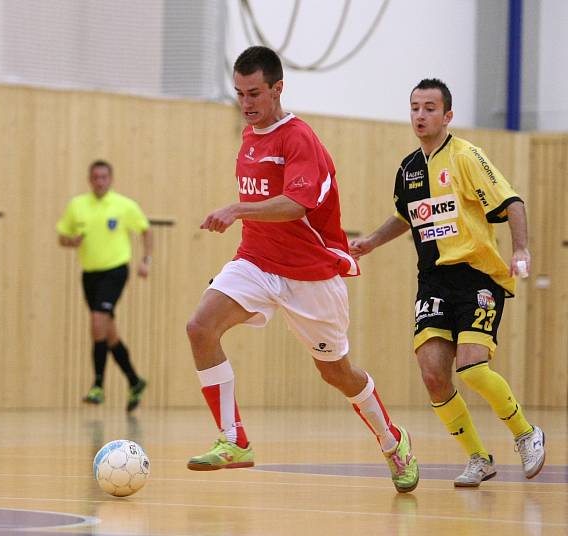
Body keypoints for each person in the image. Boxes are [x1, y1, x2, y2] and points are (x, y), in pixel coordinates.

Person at [184, 46, 419, 493]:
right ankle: (234, 440)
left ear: (277, 89)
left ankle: (392, 441)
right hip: (255, 260)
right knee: (199, 328)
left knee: (337, 373)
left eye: (254, 93)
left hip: (309, 275)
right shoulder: (250, 137)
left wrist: (238, 208)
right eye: (239, 94)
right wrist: (245, 220)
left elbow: (296, 206)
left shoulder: (299, 138)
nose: (246, 103)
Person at [349, 78, 545, 487]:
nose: (420, 115)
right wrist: (370, 240)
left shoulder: (467, 156)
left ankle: (526, 434)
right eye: (415, 108)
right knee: (434, 373)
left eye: (430, 108)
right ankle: (478, 457)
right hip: (433, 281)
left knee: (472, 367)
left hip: (477, 276)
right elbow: (404, 216)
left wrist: (521, 250)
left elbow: (512, 203)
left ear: (447, 115)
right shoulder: (408, 169)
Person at [56, 160, 152, 412]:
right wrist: (71, 241)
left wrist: (146, 260)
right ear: (90, 179)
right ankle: (134, 380)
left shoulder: (123, 205)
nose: (100, 181)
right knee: (108, 332)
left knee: (98, 321)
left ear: (110, 179)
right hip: (90, 275)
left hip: (116, 270)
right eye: (95, 177)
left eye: (104, 177)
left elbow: (145, 230)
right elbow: (62, 237)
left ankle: (97, 385)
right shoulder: (77, 206)